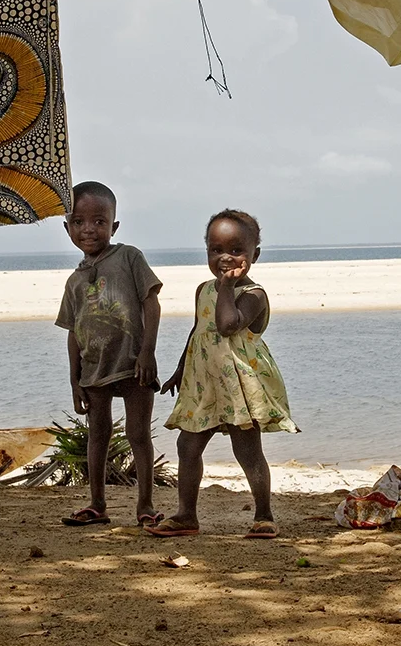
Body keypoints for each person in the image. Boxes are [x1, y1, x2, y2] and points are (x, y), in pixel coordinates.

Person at [147, 209, 297, 538]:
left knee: (246, 450)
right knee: (187, 446)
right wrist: (180, 369)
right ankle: (187, 514)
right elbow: (198, 331)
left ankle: (264, 514)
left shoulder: (253, 295)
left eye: (236, 251)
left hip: (238, 386)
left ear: (254, 254)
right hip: (204, 384)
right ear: (207, 252)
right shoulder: (203, 289)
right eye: (216, 251)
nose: (225, 258)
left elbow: (227, 325)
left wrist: (227, 287)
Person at [55, 181, 164, 527]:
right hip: (94, 369)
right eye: (79, 221)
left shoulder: (129, 257)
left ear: (113, 226)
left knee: (138, 435)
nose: (89, 229)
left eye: (99, 222)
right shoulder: (74, 281)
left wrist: (147, 351)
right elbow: (74, 331)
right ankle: (97, 504)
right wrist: (75, 380)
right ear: (68, 226)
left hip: (133, 366)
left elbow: (151, 302)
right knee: (97, 435)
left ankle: (145, 505)